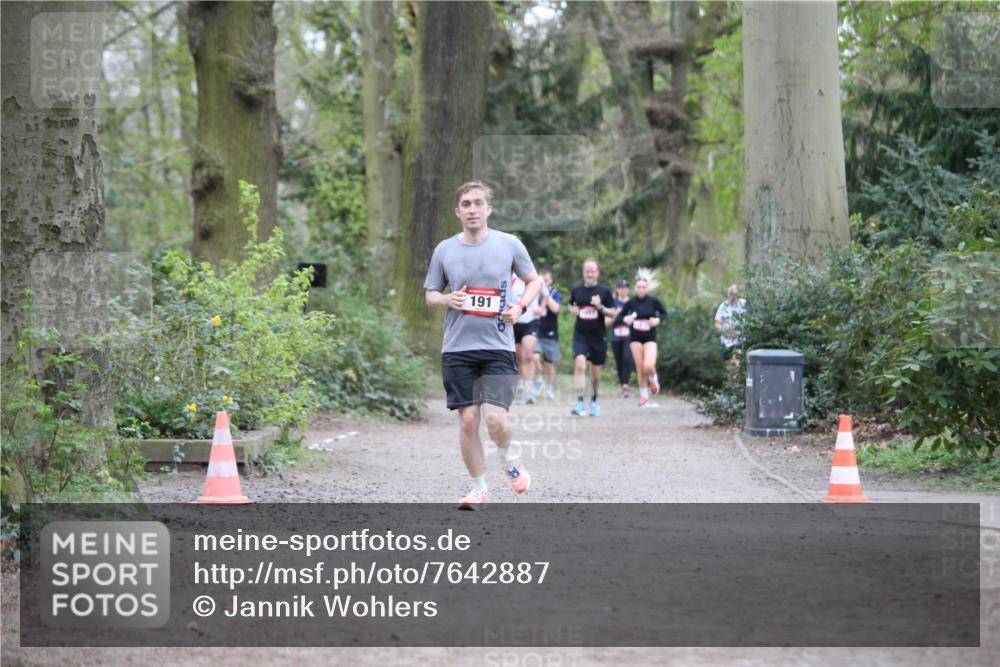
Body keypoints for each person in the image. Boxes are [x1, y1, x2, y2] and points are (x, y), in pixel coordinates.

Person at [424, 181, 541, 510]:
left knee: (495, 420)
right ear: (457, 211)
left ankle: (509, 458)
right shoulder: (444, 250)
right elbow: (431, 294)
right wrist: (447, 298)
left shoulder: (509, 244)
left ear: (488, 209)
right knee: (468, 420)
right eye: (466, 204)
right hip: (457, 348)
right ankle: (479, 489)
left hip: (498, 347)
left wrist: (520, 307)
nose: (472, 209)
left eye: (478, 203)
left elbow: (533, 281)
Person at [568, 258, 616, 417]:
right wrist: (572, 310)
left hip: (598, 337)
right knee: (580, 366)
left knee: (595, 372)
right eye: (587, 271)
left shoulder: (605, 291)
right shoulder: (576, 290)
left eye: (592, 271)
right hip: (580, 335)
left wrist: (600, 307)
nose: (589, 274)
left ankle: (594, 400)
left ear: (597, 273)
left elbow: (613, 313)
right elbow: (571, 305)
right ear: (583, 272)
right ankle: (580, 402)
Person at [622, 271, 668, 407]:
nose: (641, 289)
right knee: (640, 368)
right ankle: (644, 397)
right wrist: (627, 319)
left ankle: (654, 378)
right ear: (635, 288)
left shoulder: (653, 301)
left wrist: (657, 320)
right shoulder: (631, 302)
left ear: (647, 288)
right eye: (638, 287)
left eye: (643, 287)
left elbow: (664, 313)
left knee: (648, 365)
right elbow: (621, 317)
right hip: (635, 338)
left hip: (650, 338)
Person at [510, 272, 548, 403]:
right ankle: (519, 387)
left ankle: (529, 391)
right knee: (517, 358)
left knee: (528, 355)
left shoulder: (537, 278)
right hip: (514, 322)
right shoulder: (512, 278)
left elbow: (546, 295)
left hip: (531, 322)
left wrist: (541, 308)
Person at [535, 268, 561, 401]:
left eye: (547, 280)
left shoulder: (555, 293)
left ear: (551, 281)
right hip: (535, 331)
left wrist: (545, 294)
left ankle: (549, 387)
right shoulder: (533, 293)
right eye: (542, 280)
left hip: (550, 332)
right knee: (534, 357)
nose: (544, 282)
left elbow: (556, 309)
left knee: (549, 363)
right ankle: (538, 380)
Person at [609, 278, 635, 398]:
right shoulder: (613, 303)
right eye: (621, 288)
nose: (623, 290)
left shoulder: (632, 302)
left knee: (626, 358)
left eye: (625, 288)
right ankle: (622, 385)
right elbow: (608, 321)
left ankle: (626, 385)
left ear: (628, 289)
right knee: (619, 360)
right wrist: (616, 314)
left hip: (629, 335)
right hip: (616, 336)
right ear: (617, 289)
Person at [714, 285, 746, 363]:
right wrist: (725, 330)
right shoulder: (723, 305)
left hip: (740, 340)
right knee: (728, 366)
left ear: (737, 295)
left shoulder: (744, 304)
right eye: (730, 295)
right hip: (726, 341)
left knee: (738, 363)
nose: (731, 298)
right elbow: (717, 323)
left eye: (733, 295)